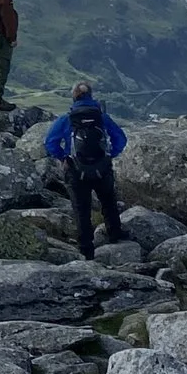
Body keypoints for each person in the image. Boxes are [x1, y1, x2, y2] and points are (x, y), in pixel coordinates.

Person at [41, 81, 128, 257]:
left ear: (74, 97)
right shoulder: (102, 117)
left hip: (75, 169)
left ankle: (86, 248)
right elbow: (120, 138)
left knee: (81, 209)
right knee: (108, 202)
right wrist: (110, 155)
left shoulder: (66, 119)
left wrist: (63, 157)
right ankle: (115, 233)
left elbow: (50, 142)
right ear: (91, 95)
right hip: (102, 168)